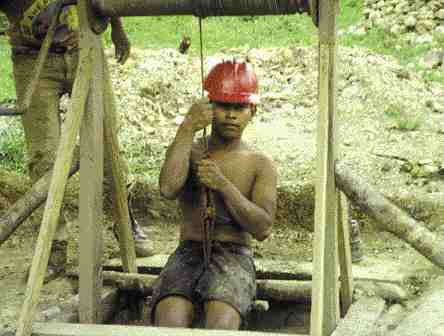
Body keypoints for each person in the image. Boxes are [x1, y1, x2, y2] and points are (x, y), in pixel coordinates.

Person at [0, 0, 153, 281]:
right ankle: (53, 248)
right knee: (43, 156)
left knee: (107, 144)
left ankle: (125, 223)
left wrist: (117, 27)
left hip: (85, 49)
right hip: (33, 59)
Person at [154, 60, 278, 330]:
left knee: (222, 320)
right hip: (188, 252)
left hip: (234, 255)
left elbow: (263, 227)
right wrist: (187, 127)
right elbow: (167, 188)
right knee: (169, 319)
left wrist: (223, 185)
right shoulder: (189, 148)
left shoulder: (259, 163)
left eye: (239, 107)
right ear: (209, 108)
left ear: (252, 111)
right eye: (223, 106)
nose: (231, 115)